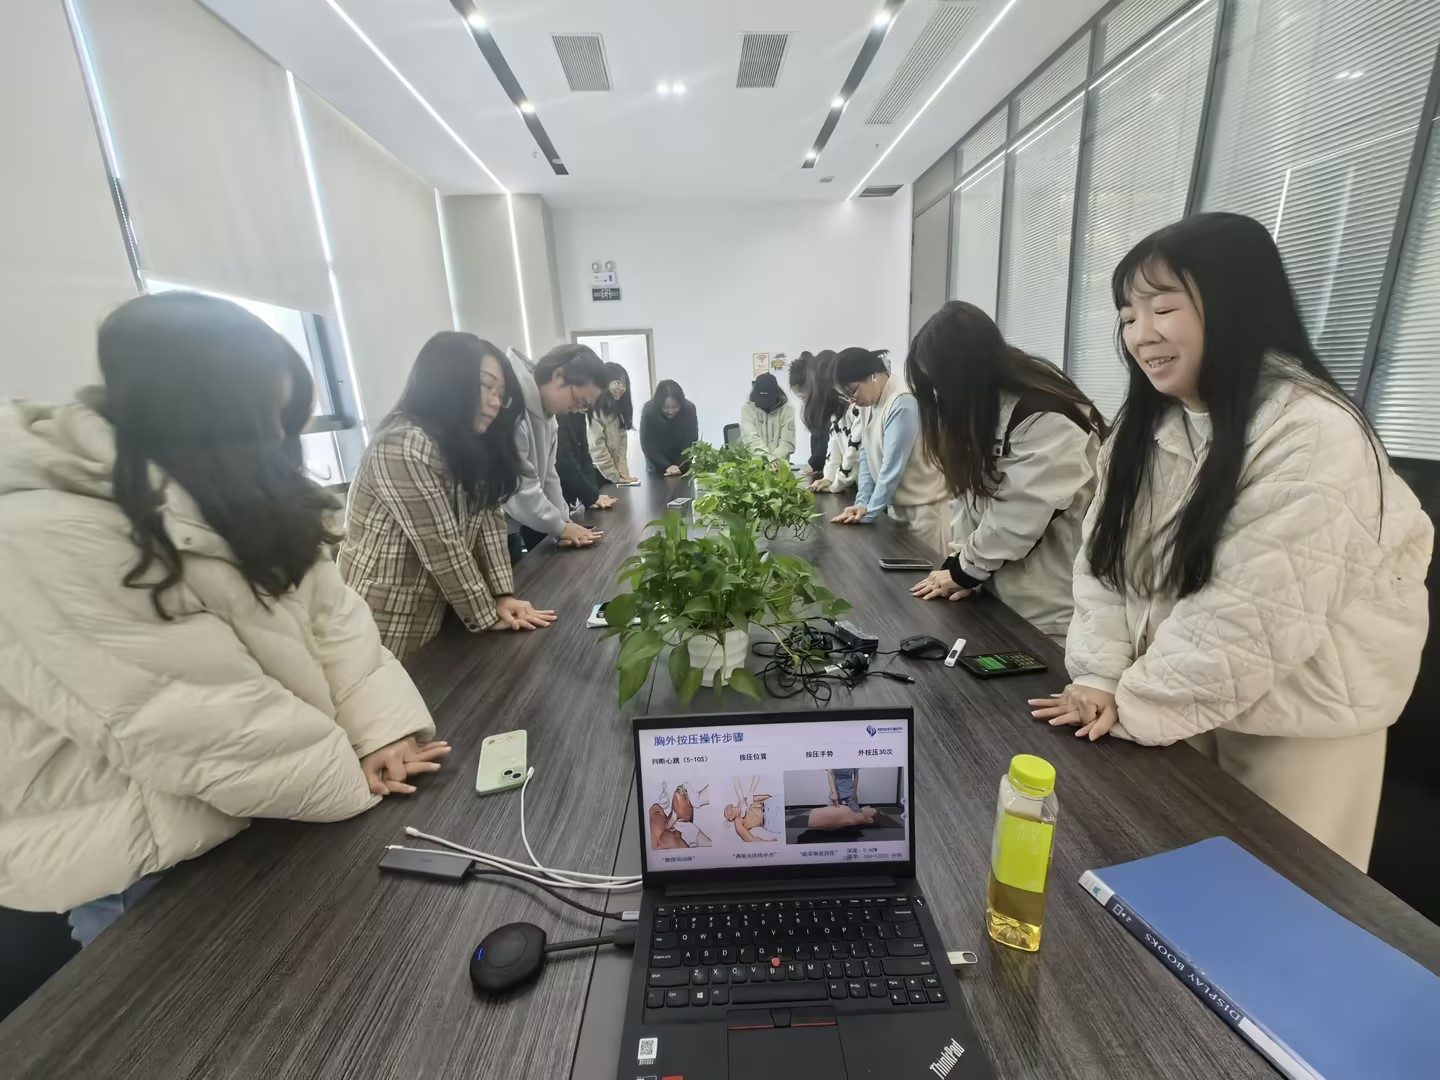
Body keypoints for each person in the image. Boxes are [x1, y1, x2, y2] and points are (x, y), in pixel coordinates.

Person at [0, 293, 446, 944]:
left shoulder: (233, 484)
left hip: (267, 795)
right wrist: (347, 777)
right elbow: (186, 714)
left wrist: (381, 730)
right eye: (263, 421)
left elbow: (332, 617)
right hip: (139, 853)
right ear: (196, 415)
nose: (279, 443)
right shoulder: (46, 532)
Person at [1029, 213, 1433, 871]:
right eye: (1128, 315)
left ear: (1235, 304)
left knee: (1282, 905)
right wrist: (1099, 676)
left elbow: (1253, 614)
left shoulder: (1314, 434)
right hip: (1172, 697)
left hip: (1296, 727)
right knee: (1163, 883)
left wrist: (1128, 703)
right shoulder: (1148, 426)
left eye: (1164, 308)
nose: (1141, 333)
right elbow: (1102, 565)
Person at [339, 332, 557, 660]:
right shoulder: (403, 443)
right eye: (486, 387)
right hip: (385, 616)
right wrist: (486, 613)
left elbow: (489, 521)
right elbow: (441, 544)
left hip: (443, 606)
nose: (495, 403)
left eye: (501, 394)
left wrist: (502, 595)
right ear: (445, 381)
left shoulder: (468, 443)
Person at [907, 301, 1105, 641]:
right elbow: (968, 500)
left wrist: (966, 570)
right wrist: (960, 565)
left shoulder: (1046, 414)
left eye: (942, 382)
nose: (939, 394)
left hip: (1048, 603)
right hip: (996, 589)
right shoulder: (981, 412)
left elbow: (1021, 514)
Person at [830, 347, 950, 554]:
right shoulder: (868, 402)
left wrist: (870, 512)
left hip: (924, 511)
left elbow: (892, 467)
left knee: (926, 568)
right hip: (897, 508)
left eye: (853, 391)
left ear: (872, 376)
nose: (852, 400)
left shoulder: (902, 402)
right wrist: (861, 503)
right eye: (845, 396)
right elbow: (866, 454)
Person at [502, 343, 607, 553]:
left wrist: (565, 523)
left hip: (510, 527)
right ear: (558, 376)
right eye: (578, 400)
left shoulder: (548, 414)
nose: (576, 409)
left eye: (583, 406)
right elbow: (518, 488)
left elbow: (550, 476)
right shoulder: (512, 405)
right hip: (487, 526)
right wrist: (560, 527)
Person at [800, 349, 861, 493]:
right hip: (856, 486)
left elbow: (854, 452)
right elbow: (834, 445)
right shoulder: (837, 411)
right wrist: (828, 477)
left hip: (869, 488)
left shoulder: (856, 407)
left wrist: (836, 484)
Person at [556, 410, 618, 512]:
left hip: (570, 494)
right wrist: (591, 496)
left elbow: (585, 454)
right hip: (557, 492)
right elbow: (566, 463)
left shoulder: (579, 412)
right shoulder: (561, 415)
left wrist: (594, 496)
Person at [589, 361, 637, 484]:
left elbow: (622, 448)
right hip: (597, 473)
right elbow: (597, 448)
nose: (622, 388)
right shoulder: (595, 411)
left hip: (613, 474)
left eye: (624, 385)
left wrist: (623, 473)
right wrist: (614, 475)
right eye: (617, 383)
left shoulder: (618, 412)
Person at [640, 379, 699, 476]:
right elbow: (648, 445)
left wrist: (679, 466)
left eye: (675, 407)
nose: (670, 411)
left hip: (682, 459)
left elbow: (691, 441)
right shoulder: (649, 411)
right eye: (665, 407)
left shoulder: (689, 409)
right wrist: (666, 466)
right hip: (656, 460)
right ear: (659, 404)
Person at [740, 372, 797, 467]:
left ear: (776, 394)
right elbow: (751, 439)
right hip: (756, 465)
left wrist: (775, 460)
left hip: (780, 465)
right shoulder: (748, 409)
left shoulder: (787, 408)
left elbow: (787, 442)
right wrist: (769, 458)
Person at [788, 352, 826, 477]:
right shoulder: (813, 407)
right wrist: (814, 465)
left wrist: (813, 463)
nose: (803, 400)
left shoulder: (827, 404)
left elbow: (827, 440)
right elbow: (816, 438)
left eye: (803, 396)